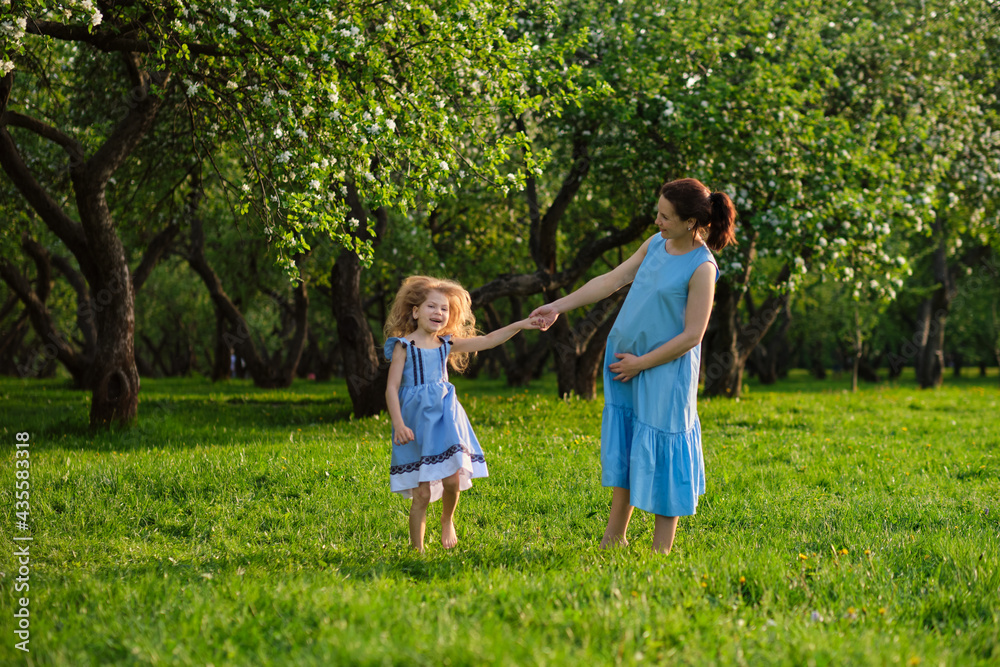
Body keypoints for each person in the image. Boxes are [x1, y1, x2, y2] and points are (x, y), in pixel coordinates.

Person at [530, 178, 736, 554]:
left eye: (665, 216)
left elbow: (693, 335)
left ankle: (661, 550)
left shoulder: (702, 267)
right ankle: (614, 537)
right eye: (658, 212)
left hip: (663, 370)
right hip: (625, 364)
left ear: (691, 222)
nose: (657, 221)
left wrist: (642, 364)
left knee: (665, 450)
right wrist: (557, 307)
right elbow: (611, 280)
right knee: (627, 445)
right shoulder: (656, 244)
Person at [384, 275, 540, 552]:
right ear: (416, 311)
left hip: (445, 417)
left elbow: (490, 340)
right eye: (432, 307)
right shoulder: (403, 345)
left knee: (452, 478)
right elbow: (392, 388)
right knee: (421, 493)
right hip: (415, 422)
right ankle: (416, 550)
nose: (438, 313)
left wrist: (522, 324)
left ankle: (447, 520)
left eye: (444, 309)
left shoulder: (447, 343)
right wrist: (398, 424)